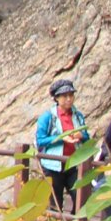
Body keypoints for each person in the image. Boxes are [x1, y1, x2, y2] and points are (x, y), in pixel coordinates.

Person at [34, 79, 88, 212]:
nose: (69, 99)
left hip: (73, 165)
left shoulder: (77, 116)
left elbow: (86, 136)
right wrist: (62, 138)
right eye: (64, 96)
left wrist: (82, 136)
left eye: (71, 95)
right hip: (53, 165)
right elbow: (40, 140)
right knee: (55, 203)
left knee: (80, 198)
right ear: (56, 98)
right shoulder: (48, 117)